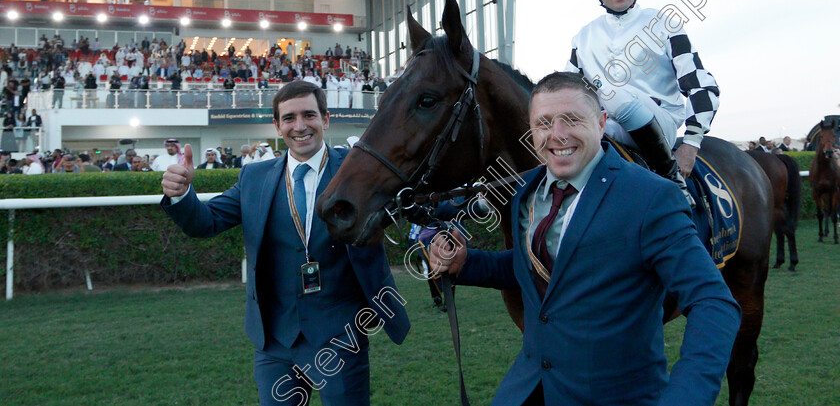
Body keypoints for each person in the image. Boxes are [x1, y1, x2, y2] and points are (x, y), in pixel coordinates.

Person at [429, 72, 740, 406]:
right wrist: (467, 263)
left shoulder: (650, 196)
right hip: (527, 390)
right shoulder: (525, 191)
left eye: (572, 120)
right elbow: (545, 265)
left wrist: (685, 398)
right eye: (544, 123)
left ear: (602, 122)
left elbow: (713, 302)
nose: (557, 135)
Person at [160, 82, 409, 406]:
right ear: (277, 126)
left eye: (309, 115)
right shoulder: (254, 177)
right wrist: (180, 196)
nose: (300, 125)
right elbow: (205, 222)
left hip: (341, 334)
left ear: (326, 119)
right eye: (289, 118)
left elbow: (410, 199)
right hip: (275, 340)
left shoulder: (358, 169)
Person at [565, 0, 720, 207]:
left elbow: (702, 86)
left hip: (661, 125)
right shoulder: (583, 37)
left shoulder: (664, 23)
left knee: (615, 96)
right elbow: (566, 93)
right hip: (603, 128)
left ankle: (672, 178)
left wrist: (691, 143)